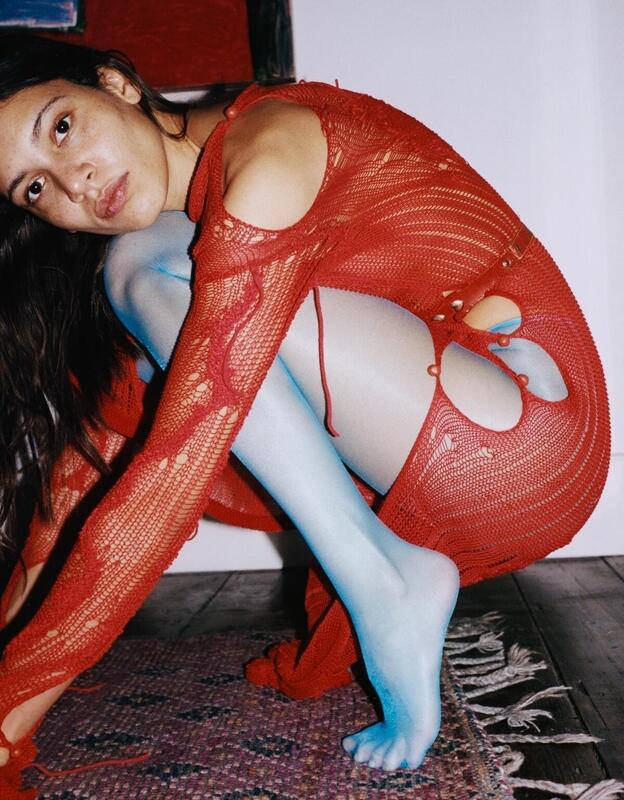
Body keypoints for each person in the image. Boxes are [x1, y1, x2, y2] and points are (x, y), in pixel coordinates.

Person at [0, 32, 610, 795]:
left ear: (116, 83)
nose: (73, 182)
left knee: (146, 274)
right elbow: (88, 468)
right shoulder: (172, 237)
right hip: (451, 449)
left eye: (61, 127)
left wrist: (7, 723)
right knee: (145, 306)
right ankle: (381, 573)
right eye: (34, 188)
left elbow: (173, 473)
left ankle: (382, 579)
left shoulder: (267, 155)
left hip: (522, 439)